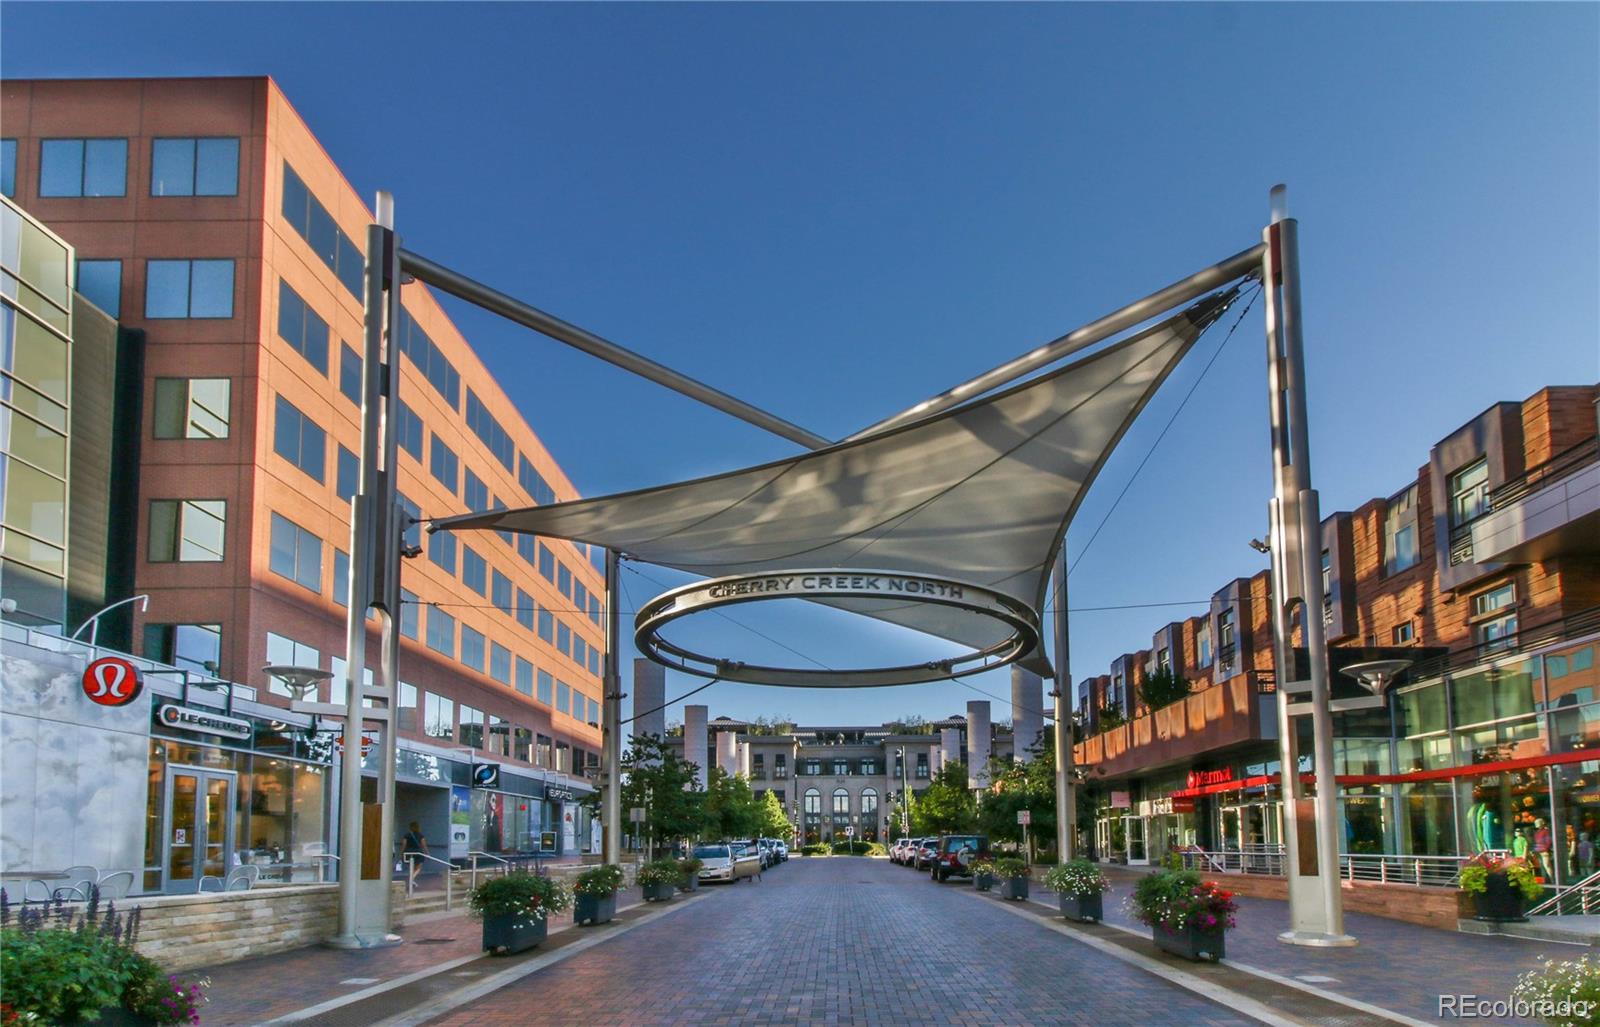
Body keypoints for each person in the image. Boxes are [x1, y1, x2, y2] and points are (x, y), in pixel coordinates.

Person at [403, 821, 430, 888]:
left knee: (411, 868)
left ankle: (412, 880)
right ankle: (411, 879)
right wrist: (427, 853)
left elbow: (404, 845)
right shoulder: (420, 835)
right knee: (418, 868)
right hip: (418, 853)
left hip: (408, 853)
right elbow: (424, 845)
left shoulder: (407, 835)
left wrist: (402, 853)